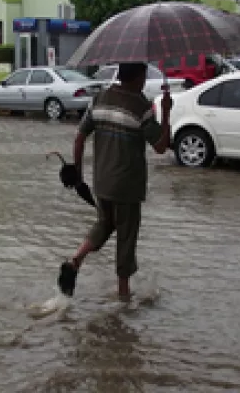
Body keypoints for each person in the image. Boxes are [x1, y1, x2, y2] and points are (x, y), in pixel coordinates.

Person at [57, 62, 172, 300]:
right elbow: (161, 147)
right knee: (126, 238)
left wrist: (78, 175)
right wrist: (166, 112)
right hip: (127, 187)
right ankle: (123, 296)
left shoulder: (99, 99)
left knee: (104, 224)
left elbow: (79, 138)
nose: (144, 81)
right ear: (138, 77)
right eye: (144, 76)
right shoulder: (140, 106)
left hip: (102, 182)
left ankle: (75, 260)